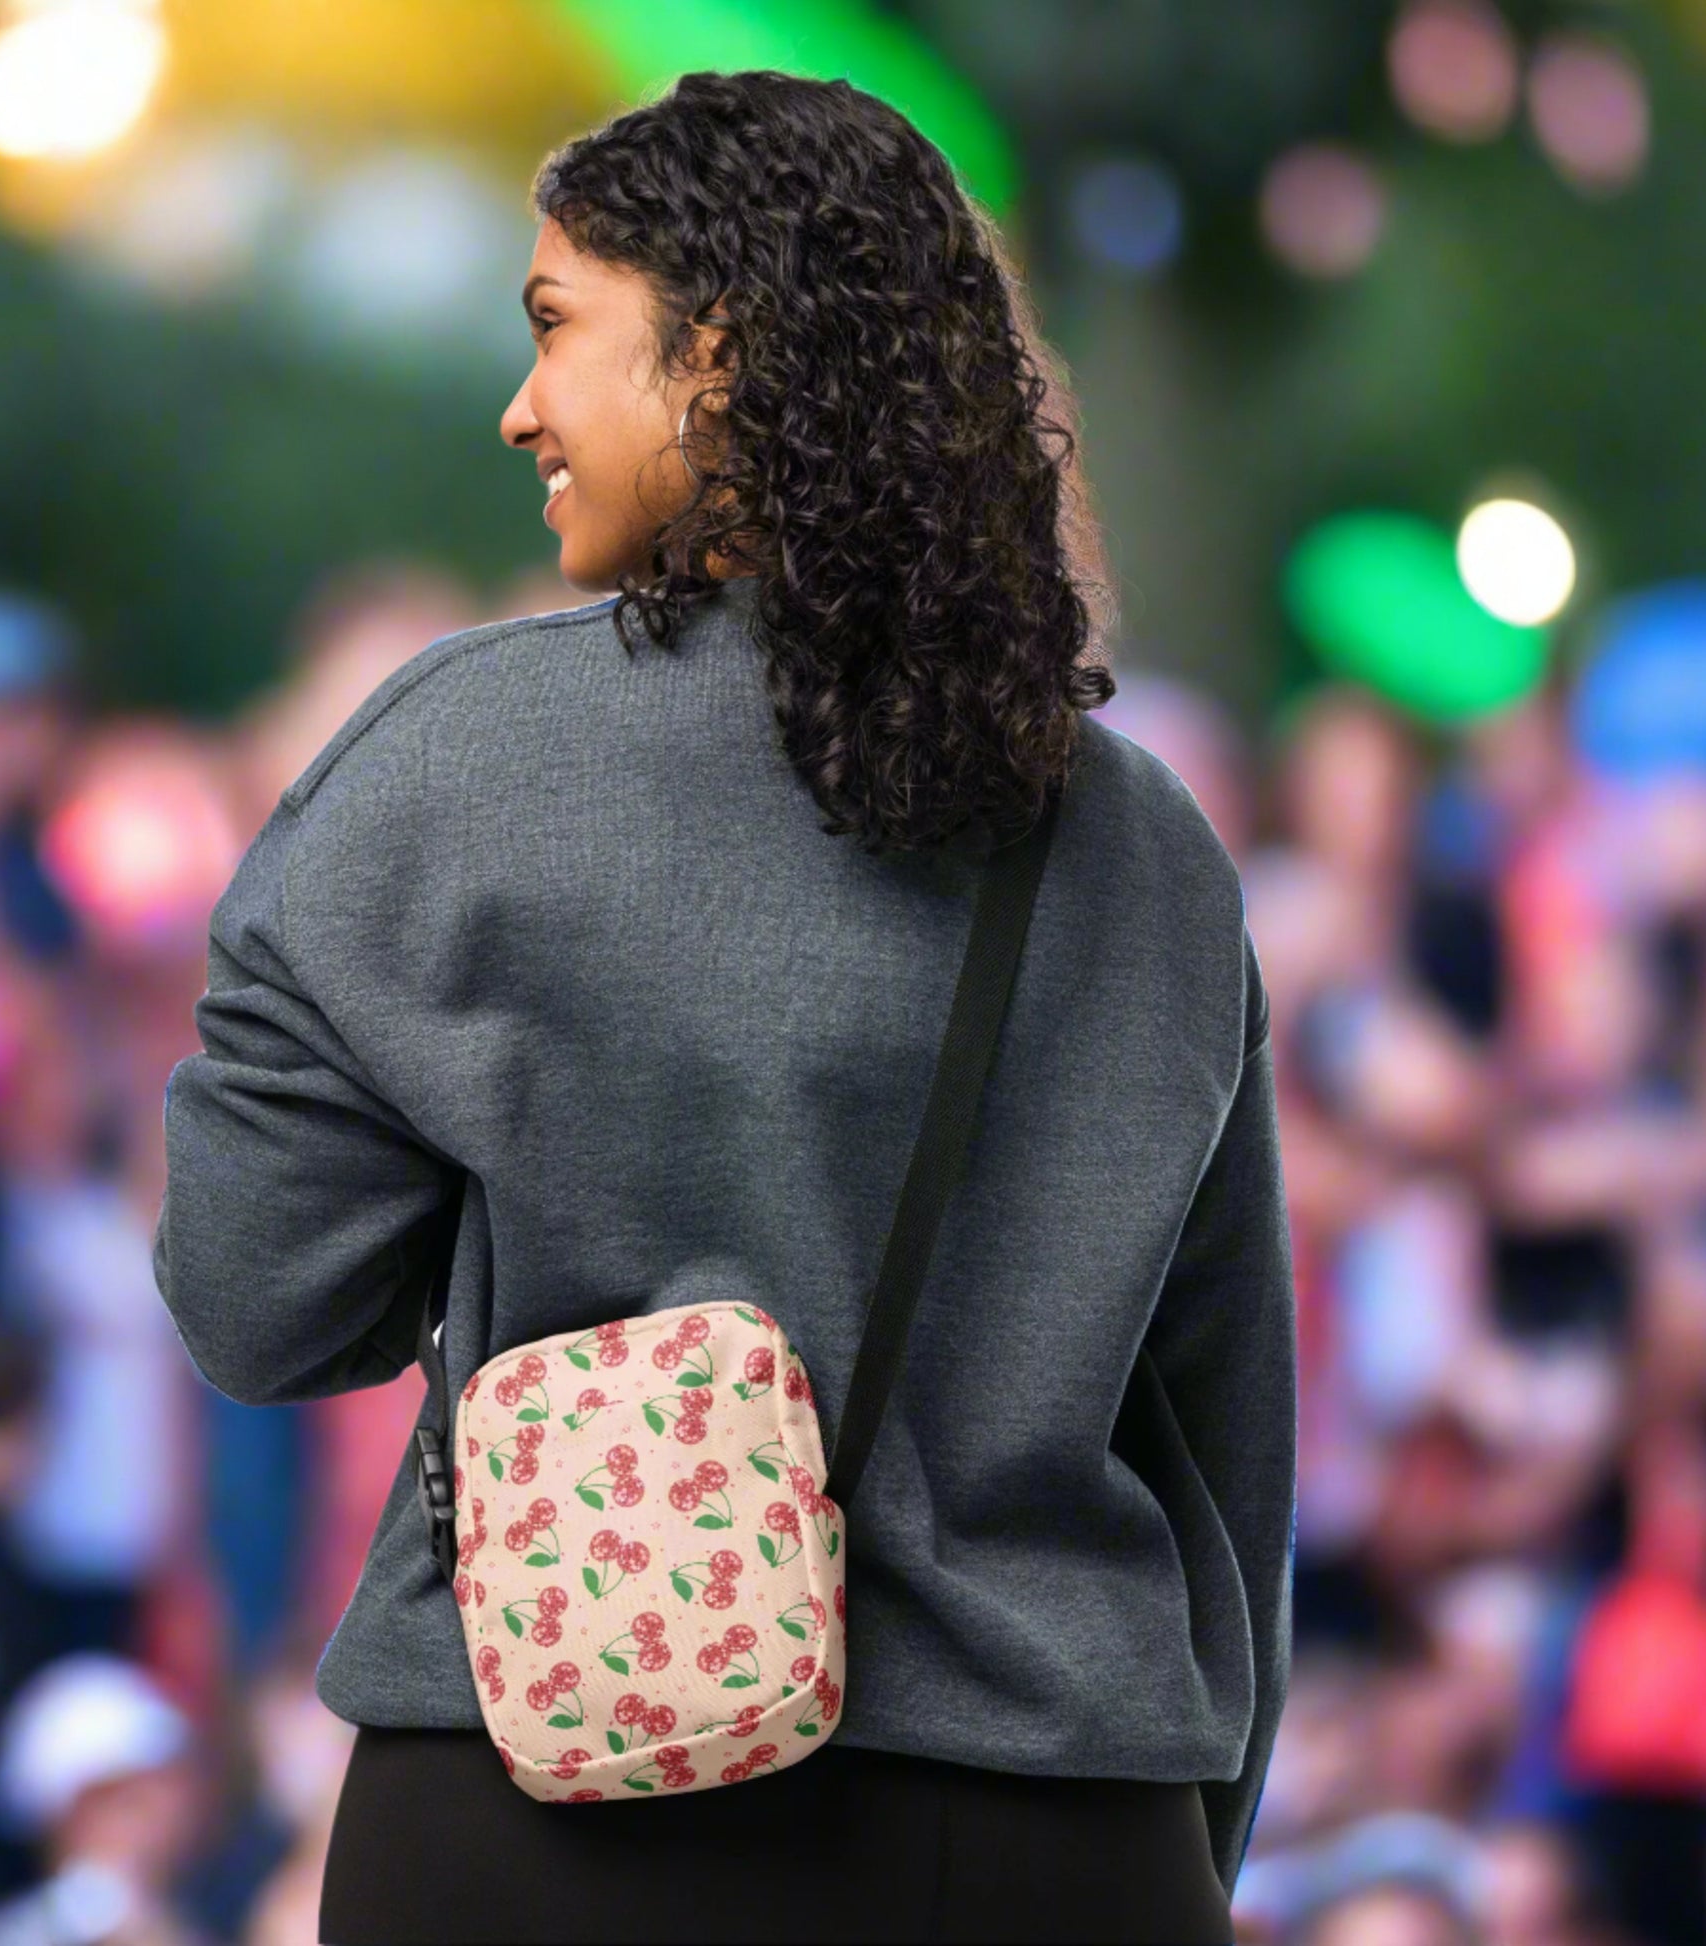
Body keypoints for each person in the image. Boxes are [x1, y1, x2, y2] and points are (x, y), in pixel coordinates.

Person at [154, 69, 1296, 1944]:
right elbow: (1226, 1432)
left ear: (719, 359)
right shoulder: (1143, 842)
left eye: (552, 330)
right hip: (1053, 1821)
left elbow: (258, 1305)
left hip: (548, 1805)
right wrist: (1172, 1835)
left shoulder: (454, 758)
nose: (518, 404)